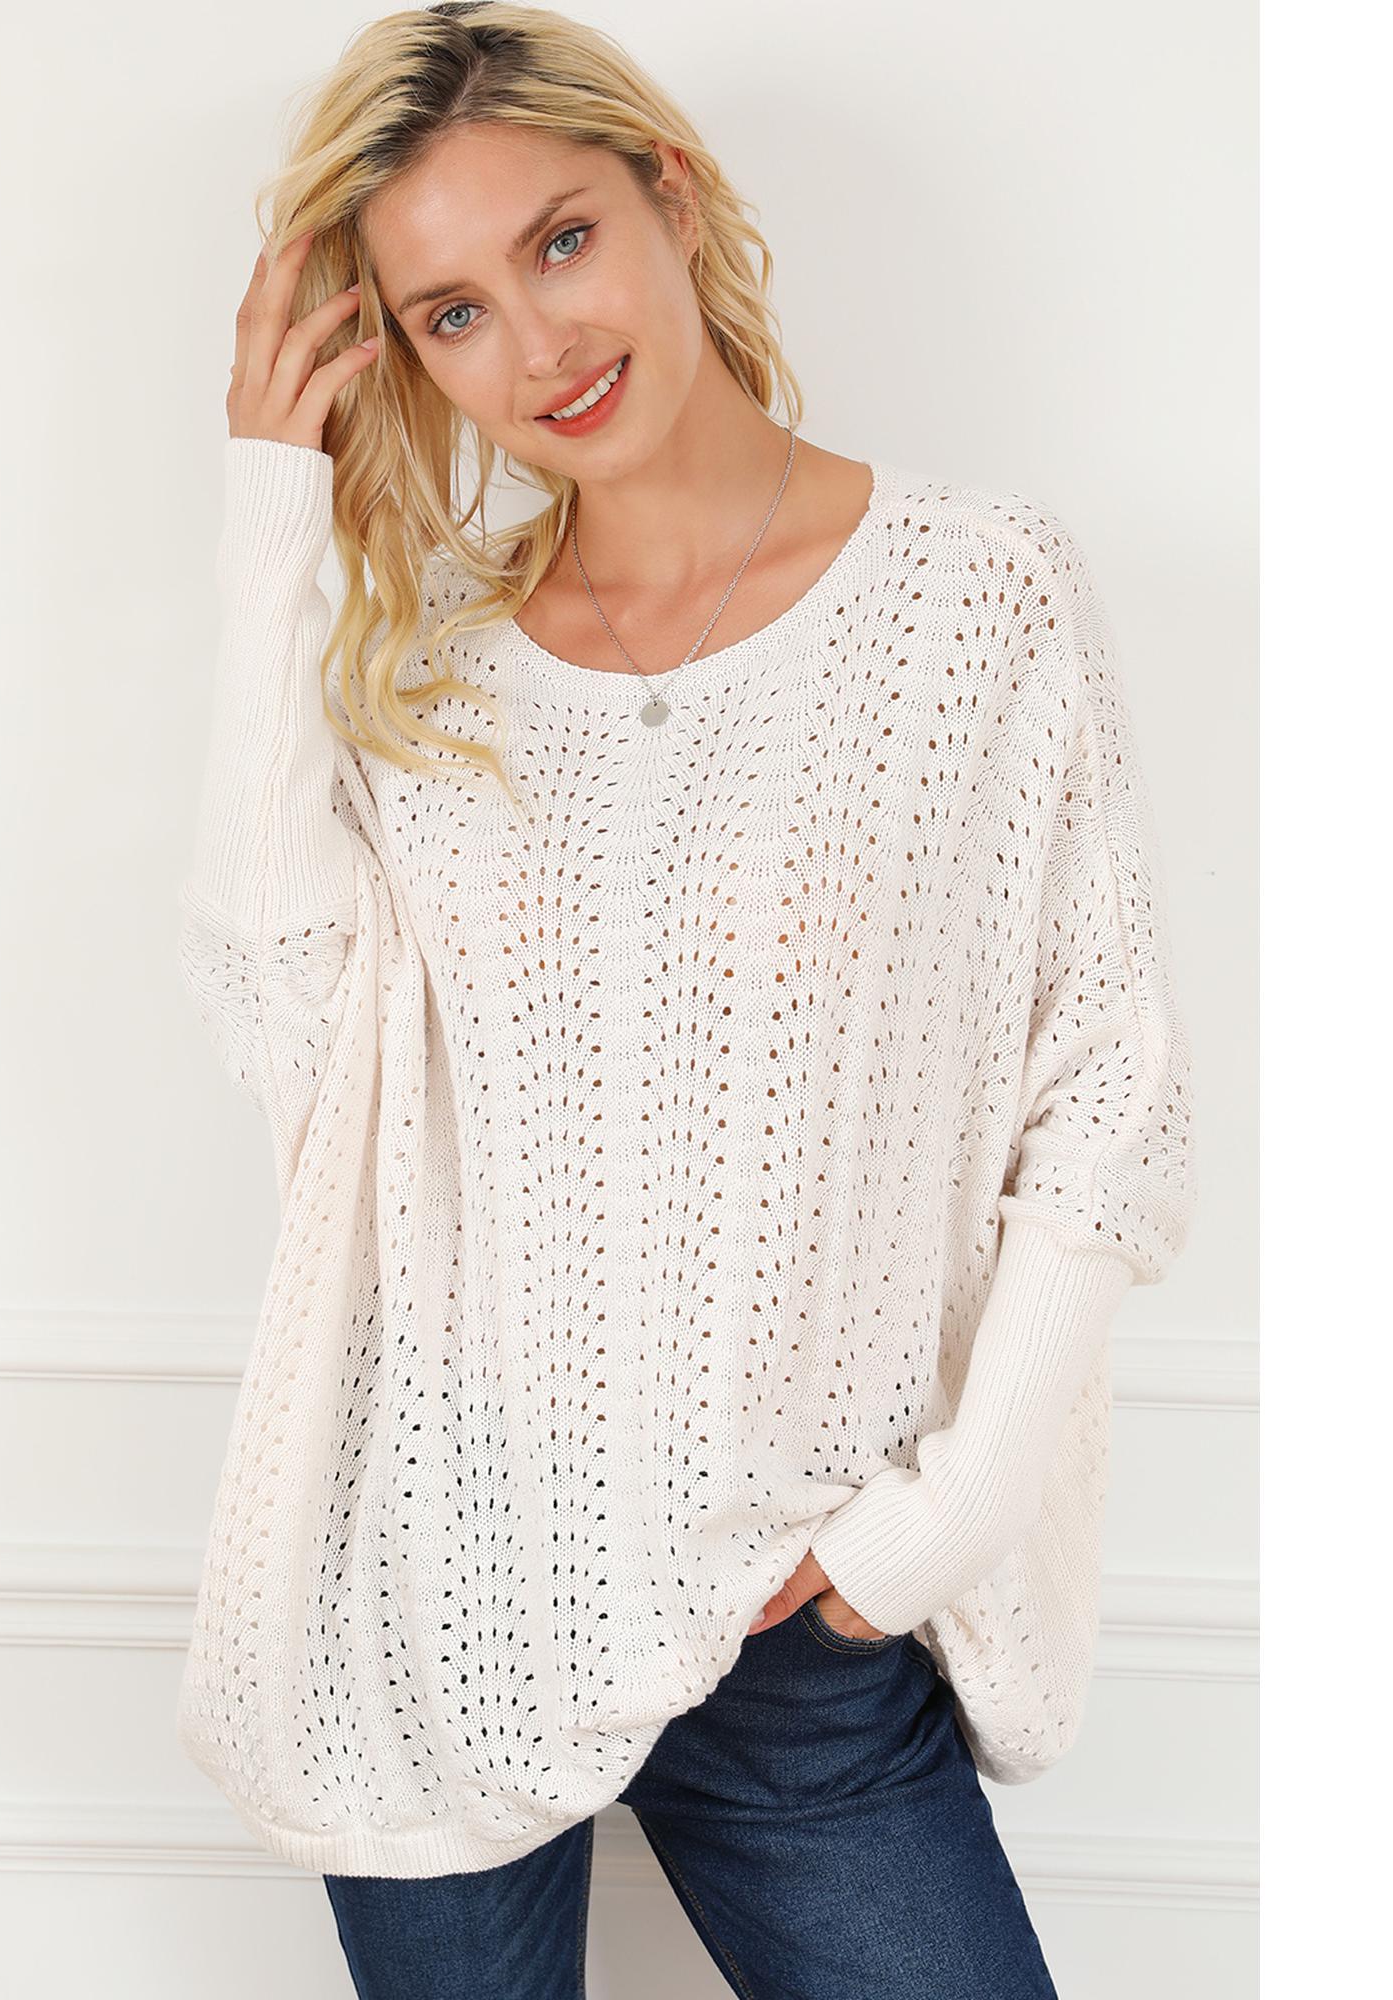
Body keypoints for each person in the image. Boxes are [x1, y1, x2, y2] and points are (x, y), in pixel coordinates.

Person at [174, 5, 1198, 1995]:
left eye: (559, 240)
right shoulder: (433, 672)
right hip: (444, 1579)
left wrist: (935, 1526)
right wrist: (268, 515)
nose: (537, 346)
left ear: (672, 194)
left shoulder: (975, 599)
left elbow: (1106, 1096)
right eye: (452, 314)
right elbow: (286, 1028)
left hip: (798, 1625)